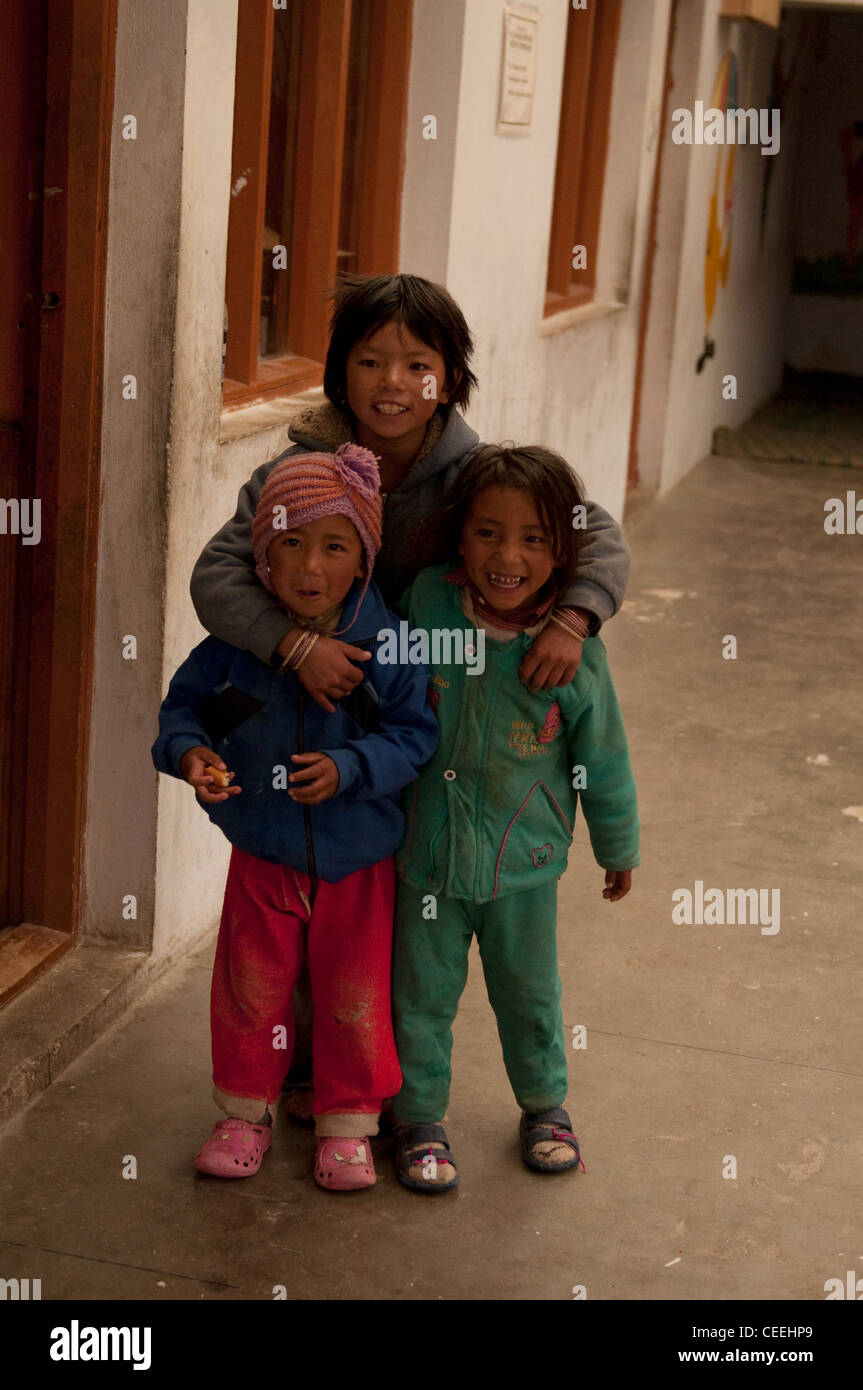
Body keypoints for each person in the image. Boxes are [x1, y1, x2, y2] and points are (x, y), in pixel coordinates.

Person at [190, 272, 632, 1115]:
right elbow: (217, 574)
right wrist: (294, 644)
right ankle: (307, 1072)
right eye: (369, 361)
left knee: (386, 928)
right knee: (318, 895)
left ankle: (383, 1093)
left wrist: (573, 618)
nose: (392, 383)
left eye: (416, 365)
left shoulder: (470, 474)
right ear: (338, 374)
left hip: (425, 735)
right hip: (311, 735)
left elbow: (592, 532)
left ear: (449, 379)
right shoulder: (298, 471)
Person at [151, 444, 439, 1190]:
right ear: (262, 559)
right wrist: (190, 756)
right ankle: (243, 1114)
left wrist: (351, 769)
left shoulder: (392, 648)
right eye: (290, 544)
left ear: (364, 561)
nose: (311, 568)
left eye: (334, 547)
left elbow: (415, 739)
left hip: (359, 865)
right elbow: (185, 713)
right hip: (263, 855)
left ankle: (348, 1126)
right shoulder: (235, 653)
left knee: (353, 993)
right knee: (249, 986)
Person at [390, 444, 640, 1193]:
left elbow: (605, 757)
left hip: (524, 863)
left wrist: (616, 844)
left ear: (563, 553)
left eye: (534, 539)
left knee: (528, 995)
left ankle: (543, 1107)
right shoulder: (427, 602)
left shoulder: (571, 651)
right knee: (419, 996)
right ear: (458, 537)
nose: (508, 555)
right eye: (488, 533)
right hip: (423, 857)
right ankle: (418, 1118)